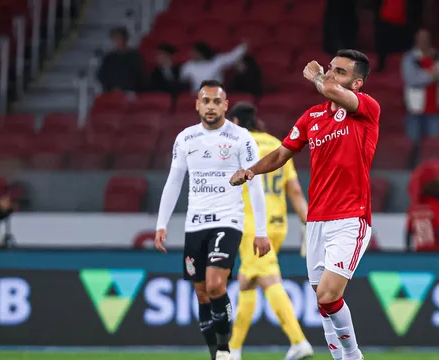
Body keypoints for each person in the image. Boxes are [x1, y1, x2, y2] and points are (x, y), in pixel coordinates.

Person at [230, 49, 380, 360]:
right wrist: (252, 170)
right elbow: (282, 153)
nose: (331, 74)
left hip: (350, 217)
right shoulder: (312, 117)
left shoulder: (366, 109)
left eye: (340, 72)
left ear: (357, 84)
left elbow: (328, 89)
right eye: (331, 68)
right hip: (317, 220)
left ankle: (353, 356)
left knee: (328, 294)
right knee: (322, 302)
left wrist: (317, 77)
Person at [154, 80, 271, 360]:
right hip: (195, 224)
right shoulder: (185, 139)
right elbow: (174, 182)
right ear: (197, 104)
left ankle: (224, 349)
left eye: (216, 101)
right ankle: (215, 354)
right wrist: (162, 223)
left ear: (225, 105)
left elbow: (255, 184)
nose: (210, 106)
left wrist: (261, 231)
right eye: (205, 100)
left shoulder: (241, 138)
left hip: (228, 220)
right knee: (202, 293)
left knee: (217, 284)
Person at [226, 103, 313, 360]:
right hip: (278, 224)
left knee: (268, 279)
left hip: (254, 225)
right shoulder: (277, 144)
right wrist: (308, 222)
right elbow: (295, 191)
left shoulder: (239, 145)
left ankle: (299, 342)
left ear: (236, 122)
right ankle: (234, 350)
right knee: (246, 281)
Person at [401, 29, 439, 142]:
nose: (423, 41)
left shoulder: (438, 56)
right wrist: (430, 76)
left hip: (435, 108)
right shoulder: (409, 58)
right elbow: (411, 79)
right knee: (413, 146)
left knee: (435, 146)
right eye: (420, 38)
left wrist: (423, 75)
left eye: (425, 38)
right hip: (415, 109)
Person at [405, 159, 439, 252]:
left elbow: (408, 232)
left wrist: (408, 251)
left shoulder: (414, 207)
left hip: (420, 251)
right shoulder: (438, 206)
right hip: (436, 251)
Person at [180, 41, 248, 93]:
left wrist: (243, 47)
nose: (190, 54)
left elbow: (232, 57)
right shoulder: (188, 65)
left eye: (193, 52)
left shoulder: (217, 61)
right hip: (197, 95)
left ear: (200, 53)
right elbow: (182, 80)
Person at [96, 27, 144, 93]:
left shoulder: (134, 56)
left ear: (125, 39)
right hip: (111, 91)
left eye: (118, 38)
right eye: (114, 39)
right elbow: (101, 75)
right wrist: (112, 87)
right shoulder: (109, 58)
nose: (116, 41)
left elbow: (137, 76)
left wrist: (123, 88)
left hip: (130, 92)